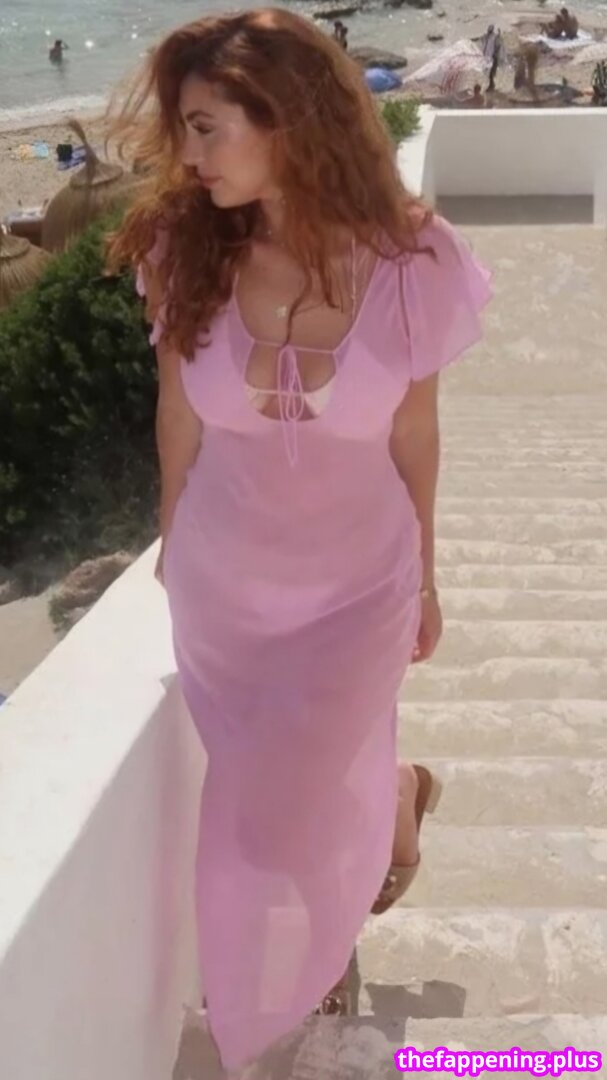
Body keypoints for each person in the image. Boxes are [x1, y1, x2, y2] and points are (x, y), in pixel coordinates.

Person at [106, 9, 492, 1075]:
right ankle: (391, 807)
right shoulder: (186, 249)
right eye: (184, 129)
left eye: (206, 126)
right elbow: (178, 413)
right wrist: (173, 541)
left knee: (283, 813)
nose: (188, 155)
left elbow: (413, 429)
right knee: (274, 800)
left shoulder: (415, 259)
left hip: (358, 584)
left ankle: (300, 970)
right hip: (227, 590)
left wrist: (426, 576)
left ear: (287, 120)